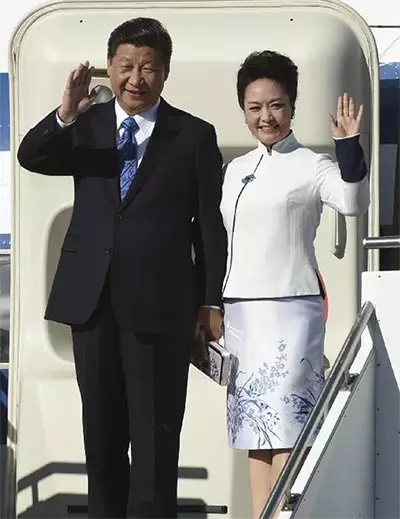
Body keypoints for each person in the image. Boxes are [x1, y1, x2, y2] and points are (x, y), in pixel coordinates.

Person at [17, 17, 226, 519]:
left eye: (148, 68)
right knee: (102, 436)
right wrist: (65, 113)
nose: (136, 78)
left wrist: (211, 300)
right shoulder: (85, 124)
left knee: (155, 440)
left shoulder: (193, 135)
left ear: (165, 73)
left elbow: (211, 229)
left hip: (161, 307)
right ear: (109, 68)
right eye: (126, 66)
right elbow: (30, 155)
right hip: (92, 303)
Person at [220, 50, 369, 519]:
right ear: (243, 110)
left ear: (292, 106)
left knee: (287, 433)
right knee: (254, 437)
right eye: (255, 107)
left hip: (289, 313)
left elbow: (351, 201)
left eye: (276, 105)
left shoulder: (311, 164)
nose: (266, 116)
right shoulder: (235, 170)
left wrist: (349, 146)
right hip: (241, 314)